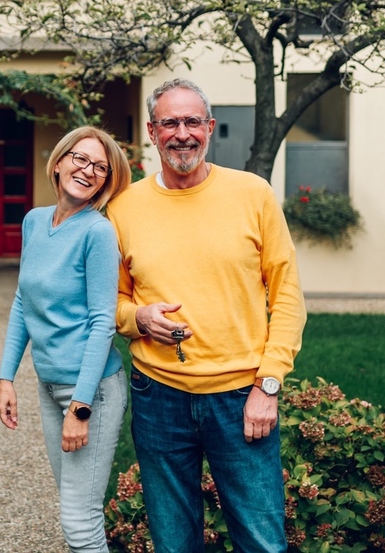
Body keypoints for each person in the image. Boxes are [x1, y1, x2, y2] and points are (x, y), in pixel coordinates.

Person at [107, 78, 307, 553]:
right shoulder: (122, 207)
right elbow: (109, 301)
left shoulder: (252, 194)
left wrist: (269, 383)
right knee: (175, 544)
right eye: (170, 123)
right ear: (152, 133)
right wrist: (137, 317)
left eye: (192, 121)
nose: (182, 133)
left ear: (210, 128)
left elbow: (289, 296)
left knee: (263, 543)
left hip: (242, 398)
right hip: (158, 397)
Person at [0, 126, 133, 553]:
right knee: (75, 505)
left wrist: (81, 406)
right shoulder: (34, 221)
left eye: (100, 167)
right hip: (49, 385)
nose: (88, 170)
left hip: (91, 391)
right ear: (58, 162)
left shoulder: (97, 233)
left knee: (79, 520)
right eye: (80, 158)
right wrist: (6, 378)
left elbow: (102, 323)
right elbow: (24, 301)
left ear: (105, 182)